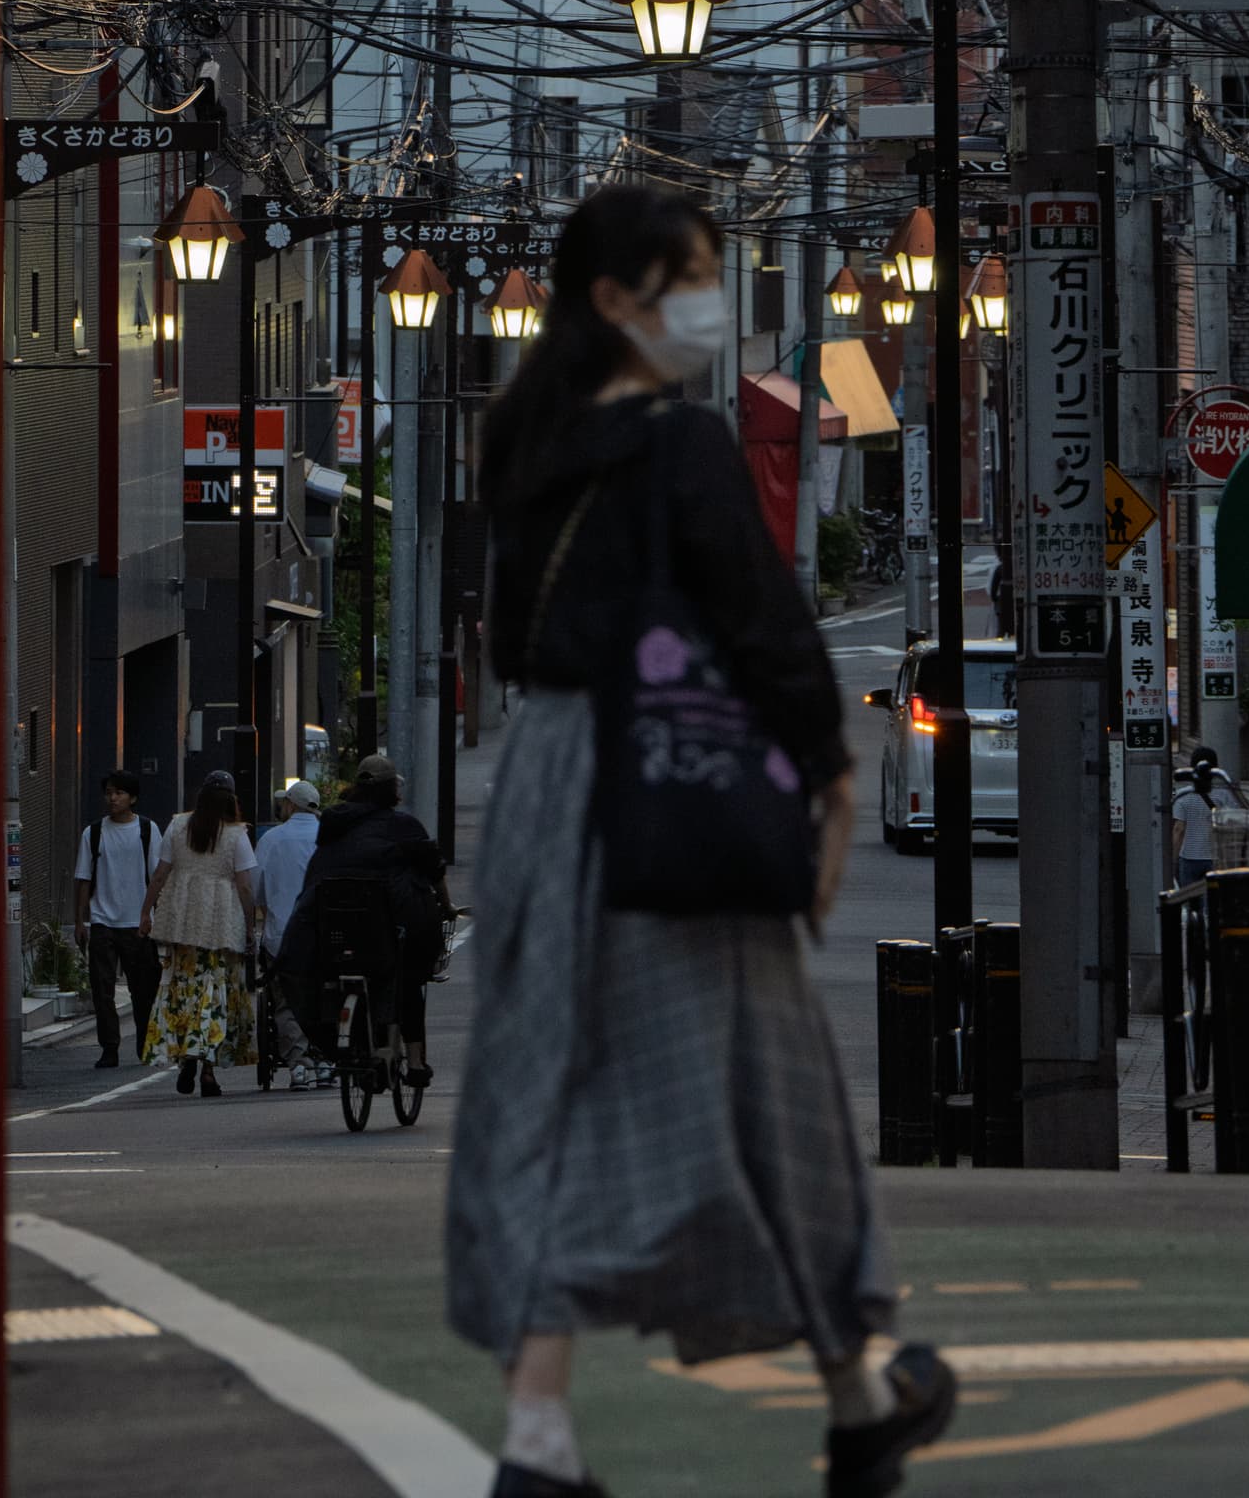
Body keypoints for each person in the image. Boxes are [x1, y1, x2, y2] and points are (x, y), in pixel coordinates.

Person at [446, 181, 955, 1498]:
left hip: (549, 781)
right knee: (761, 1092)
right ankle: (851, 1384)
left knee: (540, 1091)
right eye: (689, 278)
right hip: (671, 788)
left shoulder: (520, 440)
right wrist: (835, 772)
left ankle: (541, 1435)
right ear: (617, 300)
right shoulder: (679, 449)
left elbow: (511, 637)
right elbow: (765, 621)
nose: (708, 305)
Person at [299, 754, 450, 1080]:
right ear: (392, 789)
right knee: (408, 981)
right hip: (387, 930)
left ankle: (351, 1045)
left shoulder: (332, 826)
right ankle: (414, 1061)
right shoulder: (403, 826)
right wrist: (446, 906)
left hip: (336, 928)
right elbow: (434, 867)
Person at [140, 772, 260, 1094]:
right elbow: (245, 886)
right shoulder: (236, 835)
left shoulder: (178, 826)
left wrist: (146, 912)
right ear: (232, 800)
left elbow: (160, 874)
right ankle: (208, 1068)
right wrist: (250, 927)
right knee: (216, 992)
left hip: (183, 918)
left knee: (183, 990)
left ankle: (186, 1059)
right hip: (222, 920)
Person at [73, 770, 161, 1071]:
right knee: (102, 990)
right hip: (102, 920)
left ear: (132, 798)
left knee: (143, 989)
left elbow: (158, 878)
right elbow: (83, 878)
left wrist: (151, 915)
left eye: (119, 793)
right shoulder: (93, 833)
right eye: (109, 792)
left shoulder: (147, 830)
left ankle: (143, 1044)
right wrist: (80, 921)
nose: (112, 798)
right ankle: (109, 1047)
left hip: (137, 922)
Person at [255, 778, 326, 1088]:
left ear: (290, 806)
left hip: (280, 935)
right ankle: (325, 1060)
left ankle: (298, 1064)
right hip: (322, 935)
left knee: (285, 1002)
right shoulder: (327, 838)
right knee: (324, 996)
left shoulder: (271, 840)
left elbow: (257, 891)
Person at [1173, 758, 1220, 887]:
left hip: (1188, 858)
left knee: (1187, 897)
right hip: (1214, 857)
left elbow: (1179, 829)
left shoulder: (1183, 795)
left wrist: (1172, 859)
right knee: (1212, 900)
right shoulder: (1223, 795)